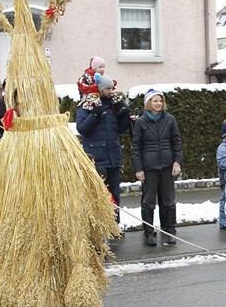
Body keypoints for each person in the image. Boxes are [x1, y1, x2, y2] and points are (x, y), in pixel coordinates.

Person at [132, 90, 183, 246]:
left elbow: (177, 142)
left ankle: (170, 231)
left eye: (160, 101)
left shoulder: (170, 120)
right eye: (155, 101)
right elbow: (136, 147)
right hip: (149, 167)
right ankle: (149, 232)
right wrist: (139, 168)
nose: (158, 104)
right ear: (149, 103)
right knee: (148, 201)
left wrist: (177, 162)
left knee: (168, 200)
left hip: (167, 166)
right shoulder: (141, 122)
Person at [76, 75, 132, 217]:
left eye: (111, 88)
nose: (111, 91)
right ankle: (98, 227)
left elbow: (119, 130)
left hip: (112, 155)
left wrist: (124, 115)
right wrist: (95, 114)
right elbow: (82, 128)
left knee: (114, 193)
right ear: (99, 89)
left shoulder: (113, 105)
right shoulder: (87, 104)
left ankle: (114, 225)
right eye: (107, 88)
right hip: (96, 157)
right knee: (96, 195)